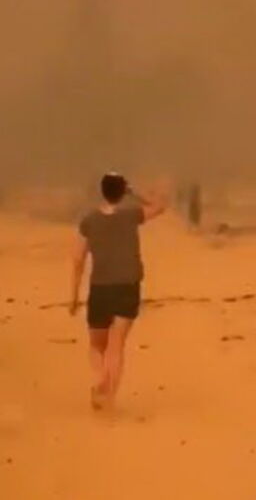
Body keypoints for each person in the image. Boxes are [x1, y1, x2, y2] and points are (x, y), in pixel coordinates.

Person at [69, 173, 167, 411]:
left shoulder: (89, 221)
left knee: (96, 346)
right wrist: (135, 193)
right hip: (128, 286)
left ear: (102, 191)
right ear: (122, 193)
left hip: (100, 288)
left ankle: (100, 378)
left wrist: (74, 296)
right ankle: (109, 397)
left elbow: (78, 260)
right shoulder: (131, 215)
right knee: (117, 345)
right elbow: (159, 206)